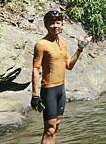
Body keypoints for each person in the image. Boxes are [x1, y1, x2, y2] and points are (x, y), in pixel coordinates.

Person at [30, 10, 92, 144]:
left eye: (58, 22)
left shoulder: (63, 44)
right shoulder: (41, 44)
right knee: (50, 128)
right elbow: (35, 69)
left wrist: (80, 49)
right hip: (49, 90)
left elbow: (68, 65)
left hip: (61, 90)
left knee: (56, 125)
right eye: (51, 23)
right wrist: (35, 95)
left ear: (62, 25)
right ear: (46, 25)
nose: (55, 26)